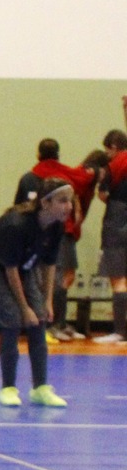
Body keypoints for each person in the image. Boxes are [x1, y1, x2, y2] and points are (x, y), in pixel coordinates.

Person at [0, 176, 74, 407]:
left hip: (21, 266)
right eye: (62, 201)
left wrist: (46, 301)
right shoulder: (17, 225)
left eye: (70, 201)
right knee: (12, 319)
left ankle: (40, 388)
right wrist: (24, 307)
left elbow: (49, 265)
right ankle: (8, 388)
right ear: (45, 203)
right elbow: (10, 270)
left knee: (39, 319)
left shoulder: (56, 227)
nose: (68, 206)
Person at [27, 138, 98, 339]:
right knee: (57, 278)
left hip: (55, 232)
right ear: (58, 154)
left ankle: (59, 322)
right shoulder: (64, 175)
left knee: (63, 277)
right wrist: (94, 169)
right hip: (59, 232)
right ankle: (53, 324)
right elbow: (85, 177)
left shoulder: (32, 176)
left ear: (38, 154)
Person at [97, 125, 127, 345]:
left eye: (108, 150)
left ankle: (120, 331)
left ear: (114, 148)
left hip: (117, 221)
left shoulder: (112, 167)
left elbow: (103, 195)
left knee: (118, 280)